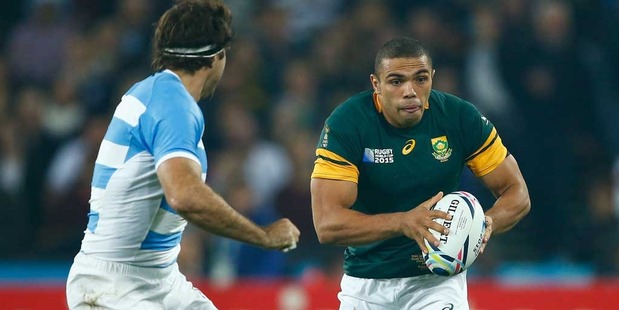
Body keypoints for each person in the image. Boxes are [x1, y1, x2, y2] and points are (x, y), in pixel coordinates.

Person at [65, 1, 300, 309]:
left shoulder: (160, 94)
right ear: (216, 57)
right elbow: (185, 196)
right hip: (116, 285)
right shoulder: (173, 104)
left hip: (157, 278)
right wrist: (263, 235)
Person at [310, 36, 530, 309]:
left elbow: (517, 193)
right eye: (396, 81)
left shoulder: (460, 118)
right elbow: (327, 223)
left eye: (420, 79)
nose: (410, 91)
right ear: (376, 85)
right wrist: (403, 222)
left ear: (432, 78)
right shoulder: (347, 124)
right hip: (366, 283)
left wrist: (484, 225)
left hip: (437, 284)